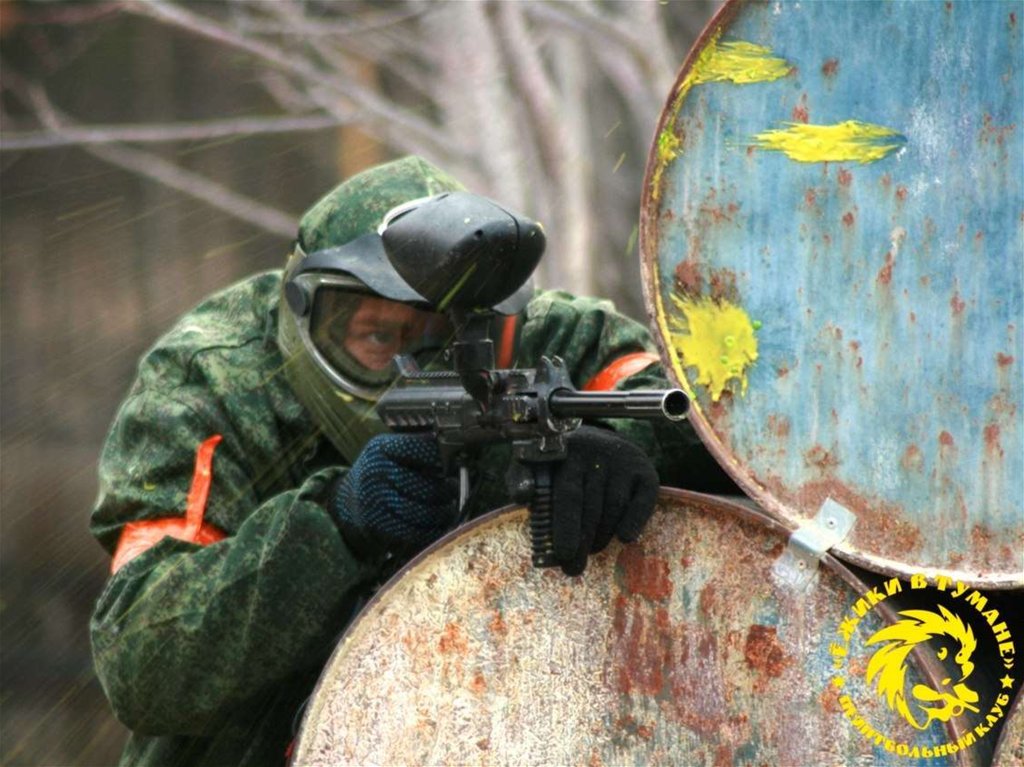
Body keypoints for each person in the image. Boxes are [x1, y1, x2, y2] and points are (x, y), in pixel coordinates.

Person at [89, 156, 736, 766]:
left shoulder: (541, 340)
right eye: (378, 336)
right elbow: (143, 659)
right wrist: (332, 527)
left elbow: (719, 426)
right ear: (306, 312)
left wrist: (616, 448)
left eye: (441, 338)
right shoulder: (213, 382)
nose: (417, 368)